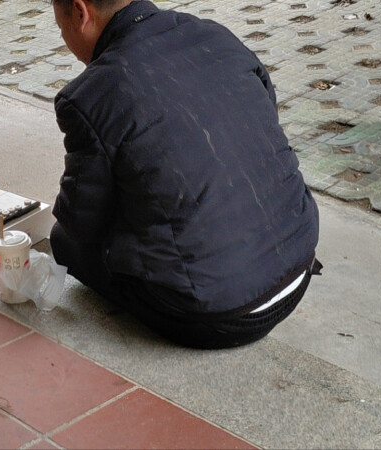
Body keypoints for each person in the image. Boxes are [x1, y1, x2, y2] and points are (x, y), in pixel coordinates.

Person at [48, 0, 322, 349]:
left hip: (218, 315)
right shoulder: (216, 36)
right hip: (298, 262)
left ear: (81, 13)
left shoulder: (91, 95)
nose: (65, 40)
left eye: (61, 28)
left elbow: (81, 223)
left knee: (63, 242)